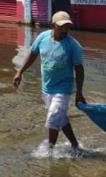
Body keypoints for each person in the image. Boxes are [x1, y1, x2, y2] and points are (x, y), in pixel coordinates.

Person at [12, 11, 86, 150]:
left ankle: (50, 150)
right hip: (46, 88)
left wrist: (79, 93)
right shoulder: (42, 38)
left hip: (64, 88)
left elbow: (79, 69)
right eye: (61, 27)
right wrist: (19, 72)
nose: (65, 30)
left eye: (67, 27)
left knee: (53, 117)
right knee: (60, 117)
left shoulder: (73, 45)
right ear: (53, 26)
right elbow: (32, 54)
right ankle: (75, 145)